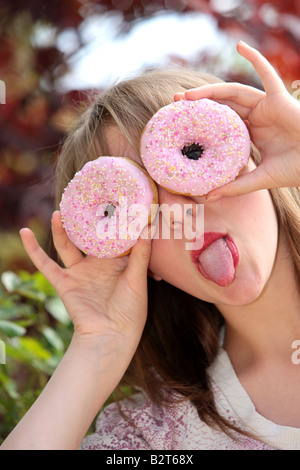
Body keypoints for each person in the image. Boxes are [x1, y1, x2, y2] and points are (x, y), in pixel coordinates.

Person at [2, 41, 300, 450]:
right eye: (132, 204)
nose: (178, 212)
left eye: (193, 155)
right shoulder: (158, 438)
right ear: (139, 264)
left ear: (258, 157)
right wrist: (98, 345)